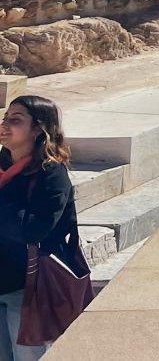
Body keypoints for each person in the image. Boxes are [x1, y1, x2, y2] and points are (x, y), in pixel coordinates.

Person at [0, 94, 82, 358]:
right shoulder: (3, 166)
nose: (4, 125)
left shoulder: (51, 174)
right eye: (5, 118)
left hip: (28, 289)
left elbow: (32, 230)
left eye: (15, 120)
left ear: (38, 130)